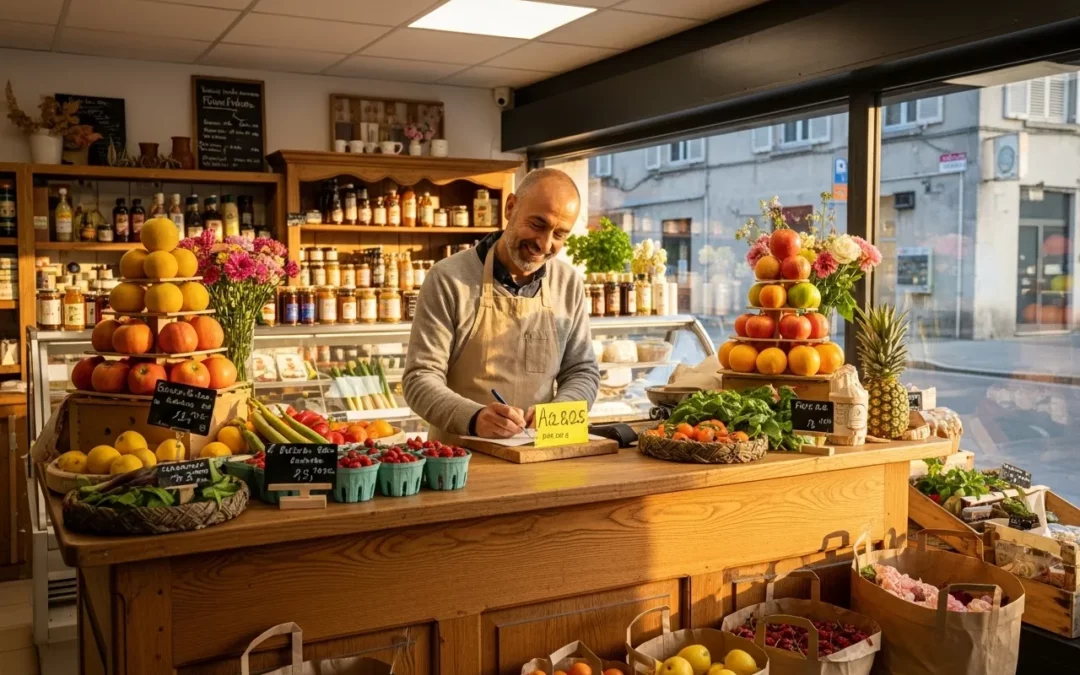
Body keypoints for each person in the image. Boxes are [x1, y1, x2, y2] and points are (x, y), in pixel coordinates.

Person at [403, 168, 600, 441]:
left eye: (559, 234)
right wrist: (473, 418)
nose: (544, 244)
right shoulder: (448, 278)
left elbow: (582, 371)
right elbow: (419, 379)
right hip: (458, 461)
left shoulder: (569, 284)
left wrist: (559, 412)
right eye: (538, 225)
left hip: (541, 455)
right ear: (511, 207)